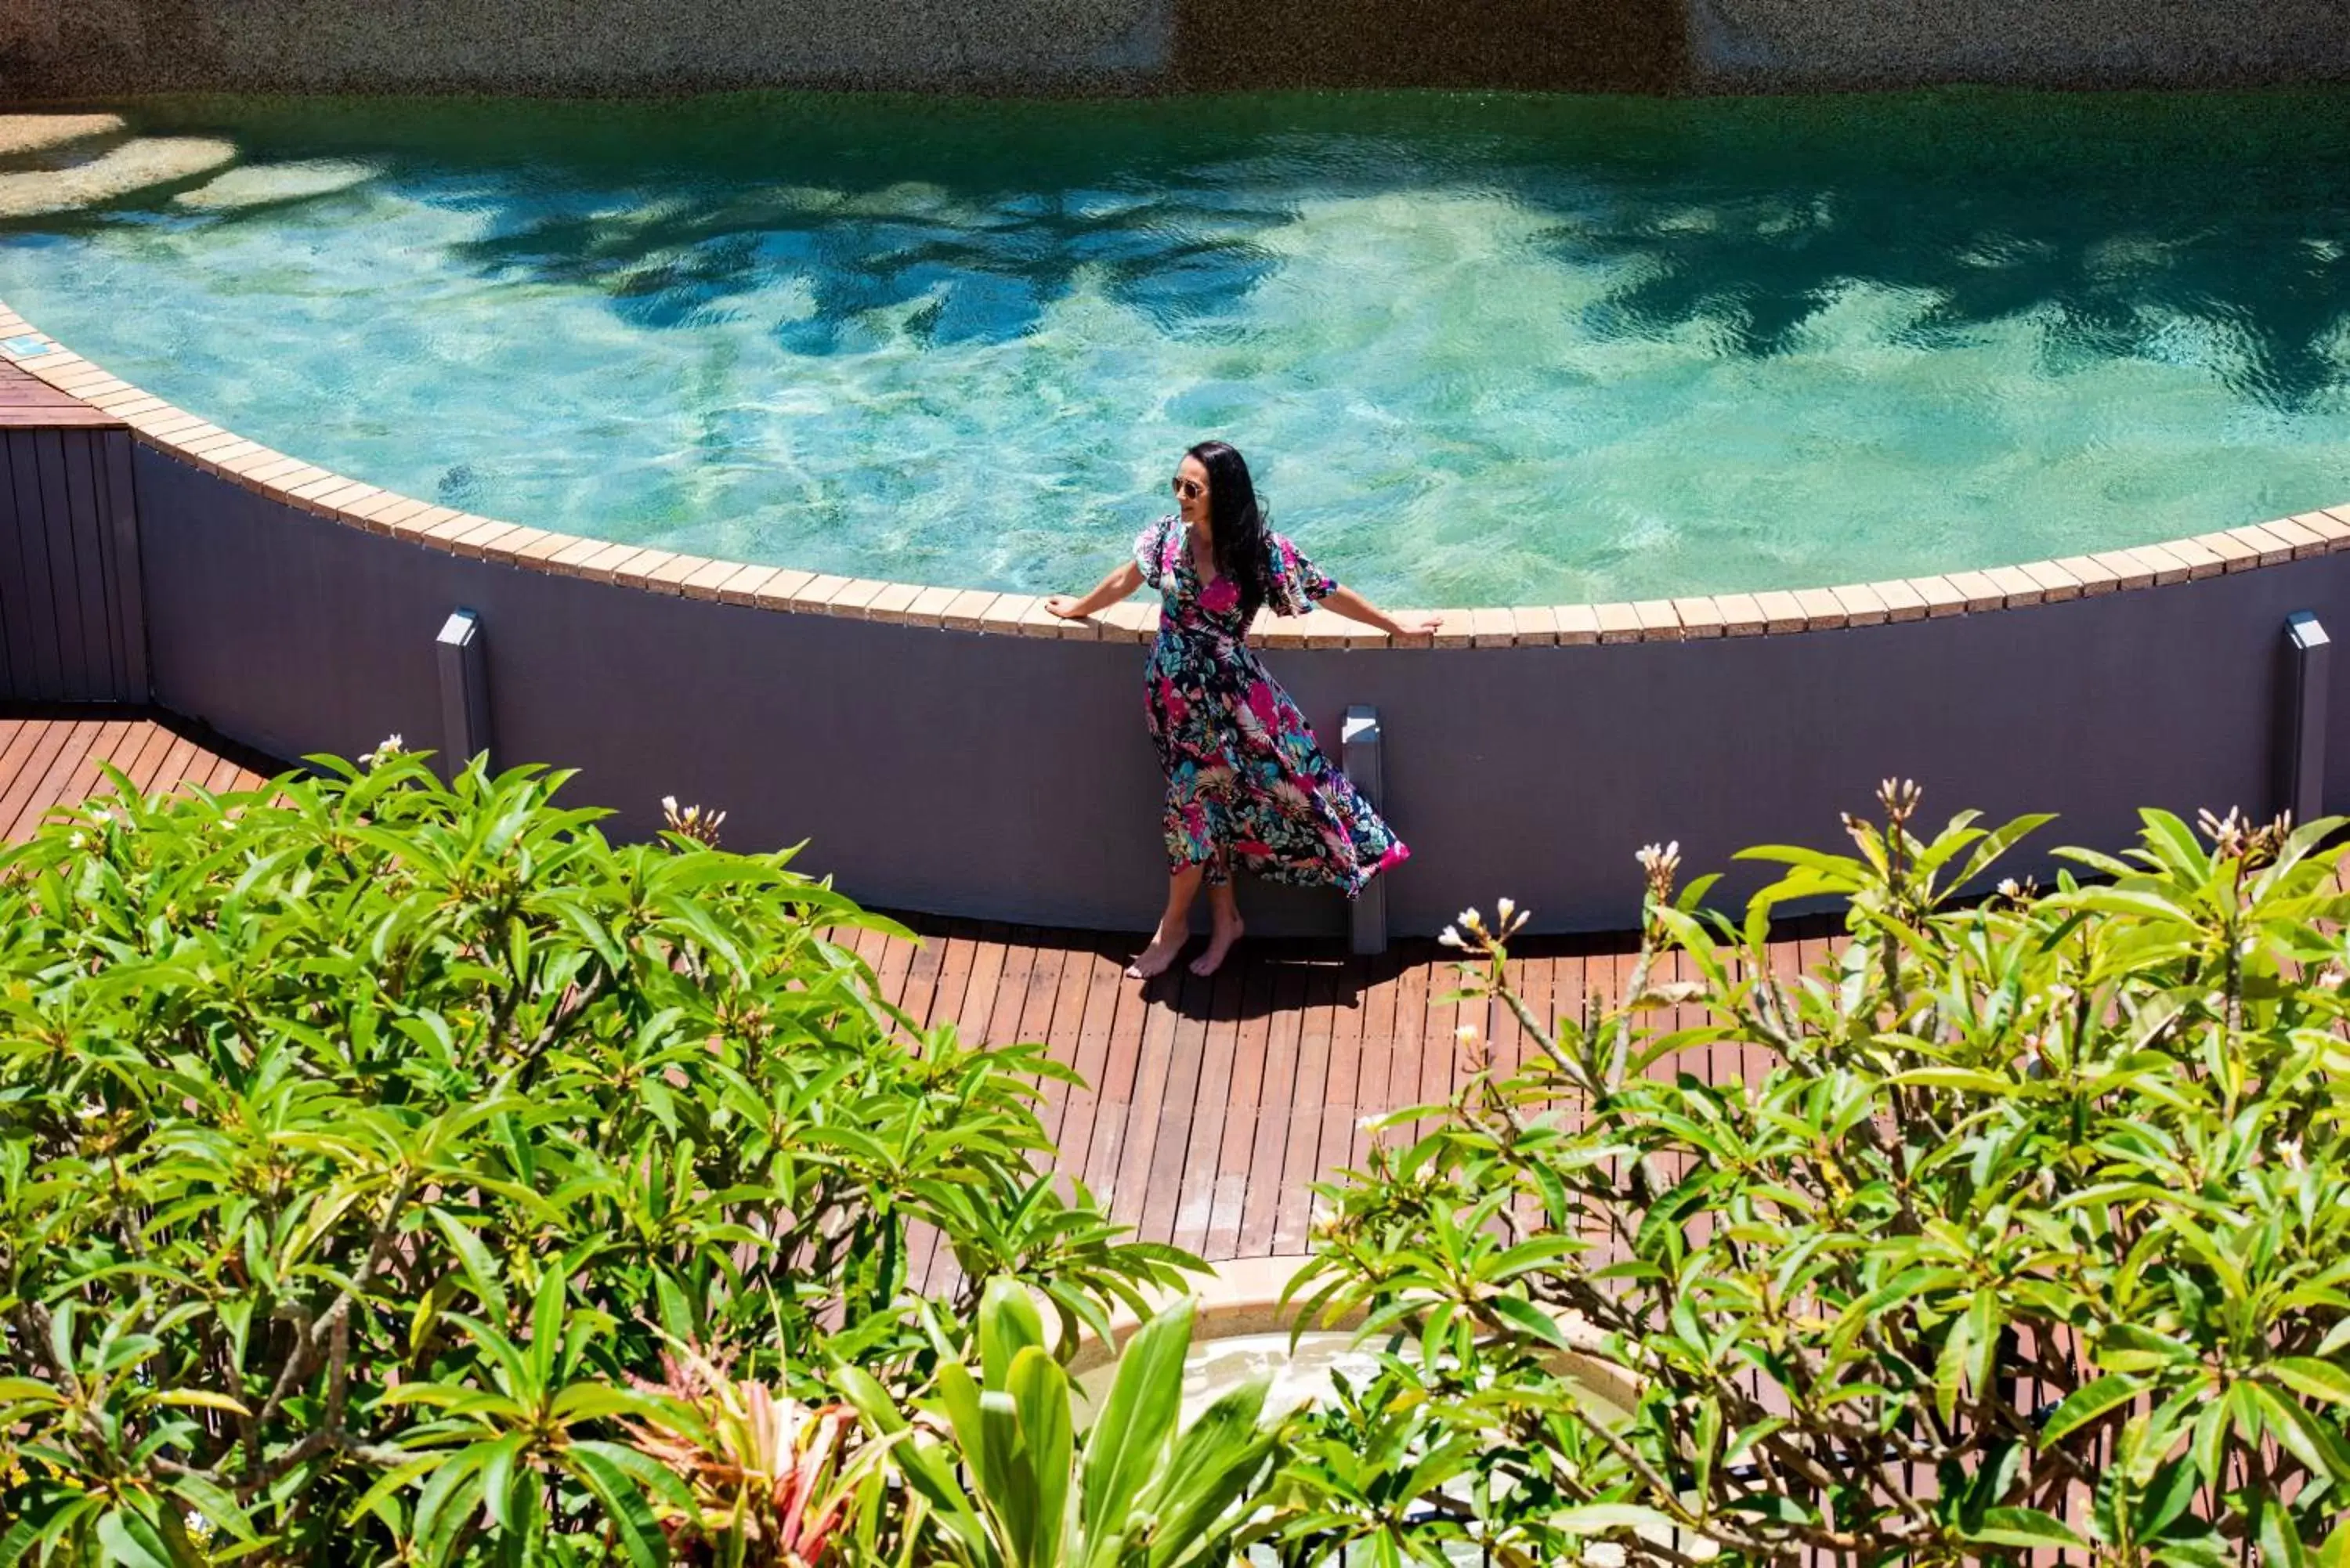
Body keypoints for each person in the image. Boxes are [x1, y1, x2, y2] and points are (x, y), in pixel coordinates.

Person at [1046, 441, 1441, 980]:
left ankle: (1177, 927)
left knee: (1284, 790)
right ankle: (1220, 920)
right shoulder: (1166, 538)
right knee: (1200, 807)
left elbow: (1327, 590)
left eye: (1193, 488)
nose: (1181, 497)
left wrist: (1396, 626)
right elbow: (1124, 580)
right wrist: (1077, 607)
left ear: (1222, 494)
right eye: (1176, 485)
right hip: (1173, 701)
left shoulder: (1260, 552)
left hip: (1236, 704)